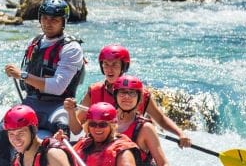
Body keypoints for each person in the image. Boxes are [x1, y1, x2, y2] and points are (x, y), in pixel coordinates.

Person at [0, 0, 85, 166]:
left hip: (58, 105)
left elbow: (58, 87)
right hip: (32, 102)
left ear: (63, 22)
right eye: (45, 18)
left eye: (54, 20)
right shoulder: (36, 42)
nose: (48, 23)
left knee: (62, 130)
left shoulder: (71, 48)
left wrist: (22, 75)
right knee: (1, 132)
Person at [63, 44, 192, 148]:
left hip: (133, 149)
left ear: (123, 67)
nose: (109, 69)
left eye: (114, 64)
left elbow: (161, 119)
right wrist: (70, 112)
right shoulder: (95, 91)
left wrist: (180, 133)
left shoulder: (140, 94)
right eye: (106, 64)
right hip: (101, 149)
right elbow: (76, 130)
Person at [110, 76, 175, 166]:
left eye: (132, 93)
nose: (127, 97)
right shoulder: (105, 121)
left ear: (139, 99)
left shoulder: (145, 128)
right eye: (122, 92)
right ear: (116, 95)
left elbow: (163, 162)